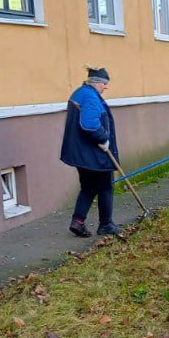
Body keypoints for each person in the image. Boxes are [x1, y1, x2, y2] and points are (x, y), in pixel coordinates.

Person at [60, 66, 121, 237]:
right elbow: (90, 124)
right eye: (104, 84)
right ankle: (106, 224)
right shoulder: (91, 97)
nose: (105, 87)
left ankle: (77, 222)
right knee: (106, 186)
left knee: (88, 187)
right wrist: (103, 139)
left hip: (81, 153)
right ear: (96, 83)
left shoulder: (80, 93)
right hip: (92, 154)